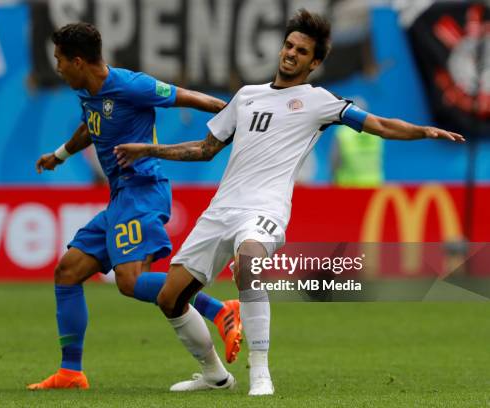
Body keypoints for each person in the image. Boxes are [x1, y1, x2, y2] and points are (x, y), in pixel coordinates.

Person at [114, 9, 464, 396]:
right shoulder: (247, 97)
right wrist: (151, 149)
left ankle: (260, 372)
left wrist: (423, 131)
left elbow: (378, 124)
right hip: (220, 210)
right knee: (170, 298)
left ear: (314, 62)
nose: (291, 53)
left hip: (265, 210)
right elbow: (205, 148)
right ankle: (214, 375)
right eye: (289, 45)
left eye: (301, 51)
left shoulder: (319, 102)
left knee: (248, 260)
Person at [28, 23, 242, 390]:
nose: (58, 68)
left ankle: (219, 309)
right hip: (120, 198)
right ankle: (70, 372)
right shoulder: (86, 90)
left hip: (142, 191)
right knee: (67, 272)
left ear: (78, 61)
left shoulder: (130, 85)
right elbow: (89, 126)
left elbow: (190, 97)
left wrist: (238, 118)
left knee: (129, 281)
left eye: (60, 60)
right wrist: (60, 155)